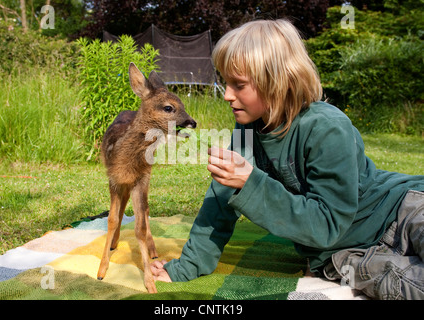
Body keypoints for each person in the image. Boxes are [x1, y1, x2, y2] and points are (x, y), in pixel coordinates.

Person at [150, 19, 424, 300]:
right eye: (225, 82)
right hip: (341, 254)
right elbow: (220, 202)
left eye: (239, 85)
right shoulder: (247, 129)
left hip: (401, 210)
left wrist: (250, 183)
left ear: (277, 82)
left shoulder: (327, 127)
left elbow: (327, 222)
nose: (227, 95)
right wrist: (185, 268)